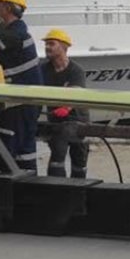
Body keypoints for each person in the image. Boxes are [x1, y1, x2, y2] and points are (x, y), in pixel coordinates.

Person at [0, 0, 43, 173]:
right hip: (22, 103)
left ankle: (19, 186)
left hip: (20, 104)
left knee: (9, 148)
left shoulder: (14, 36)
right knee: (24, 150)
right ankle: (30, 185)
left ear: (8, 9)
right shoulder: (16, 34)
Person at [40, 29, 90, 178]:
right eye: (46, 44)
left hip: (78, 121)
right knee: (57, 159)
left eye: (51, 44)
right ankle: (58, 191)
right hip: (57, 122)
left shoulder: (76, 71)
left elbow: (76, 92)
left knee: (79, 162)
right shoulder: (43, 69)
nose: (47, 47)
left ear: (64, 47)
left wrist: (66, 107)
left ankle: (79, 189)